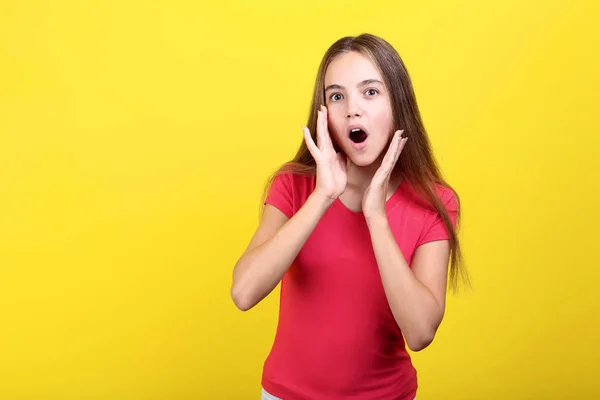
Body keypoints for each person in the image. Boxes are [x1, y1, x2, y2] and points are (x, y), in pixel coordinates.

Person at [230, 33, 470, 400]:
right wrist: (323, 196)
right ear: (324, 112)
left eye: (370, 92)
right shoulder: (293, 186)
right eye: (337, 96)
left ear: (397, 103)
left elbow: (421, 333)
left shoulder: (435, 202)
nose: (352, 109)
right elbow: (244, 292)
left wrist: (376, 216)